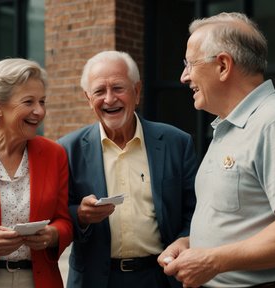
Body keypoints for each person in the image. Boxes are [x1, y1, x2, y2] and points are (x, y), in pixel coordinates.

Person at [158, 12, 275, 287]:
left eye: (189, 64)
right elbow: (244, 221)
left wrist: (212, 260)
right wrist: (193, 244)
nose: (183, 77)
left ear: (223, 65)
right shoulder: (229, 126)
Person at [58, 50, 198, 288]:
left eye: (118, 88)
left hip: (162, 277)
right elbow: (57, 214)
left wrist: (183, 245)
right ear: (88, 98)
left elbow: (194, 210)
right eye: (99, 91)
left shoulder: (177, 142)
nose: (109, 99)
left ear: (137, 91)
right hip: (96, 280)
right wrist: (80, 216)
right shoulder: (67, 149)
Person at [0, 58, 73, 288]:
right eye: (28, 102)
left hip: (39, 280)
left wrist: (53, 235)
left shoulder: (54, 154)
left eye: (42, 101)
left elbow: (64, 220)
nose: (39, 111)